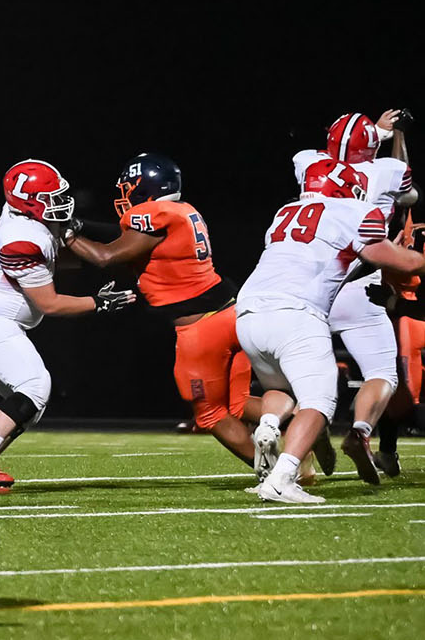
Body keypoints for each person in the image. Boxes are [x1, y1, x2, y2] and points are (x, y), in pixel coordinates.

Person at [237, 157, 425, 503]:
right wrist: (415, 257)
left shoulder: (285, 212)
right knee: (319, 401)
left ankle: (267, 425)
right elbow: (398, 260)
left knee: (281, 387)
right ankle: (281, 478)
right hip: (296, 312)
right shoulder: (355, 210)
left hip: (248, 310)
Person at [0, 160, 137, 493]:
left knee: (28, 406)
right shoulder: (19, 239)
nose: (59, 203)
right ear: (26, 202)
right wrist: (98, 302)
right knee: (35, 386)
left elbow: (53, 257)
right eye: (49, 197)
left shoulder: (25, 218)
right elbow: (49, 303)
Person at [64, 154, 257, 466]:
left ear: (144, 187)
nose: (124, 193)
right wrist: (82, 225)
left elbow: (105, 257)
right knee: (239, 405)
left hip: (201, 329)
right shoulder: (182, 209)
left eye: (128, 187)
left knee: (209, 415)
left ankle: (276, 472)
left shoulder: (151, 214)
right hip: (232, 313)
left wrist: (66, 233)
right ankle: (305, 422)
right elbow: (124, 236)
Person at [290, 111, 417, 482]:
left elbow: (337, 154)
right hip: (358, 279)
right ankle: (361, 431)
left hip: (310, 282)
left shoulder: (306, 161)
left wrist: (372, 132)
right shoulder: (387, 170)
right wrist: (393, 136)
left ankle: (301, 454)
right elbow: (409, 194)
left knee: (310, 374)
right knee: (381, 372)